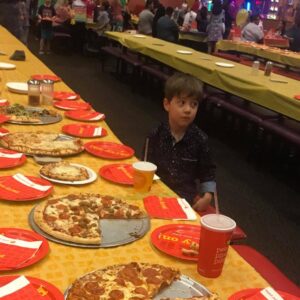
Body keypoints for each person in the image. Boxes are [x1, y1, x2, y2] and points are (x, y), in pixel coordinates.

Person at [144, 73, 216, 212]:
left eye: (193, 104)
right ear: (167, 104)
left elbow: (207, 171)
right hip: (156, 194)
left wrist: (207, 197)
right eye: (181, 103)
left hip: (185, 200)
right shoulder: (155, 134)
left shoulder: (200, 139)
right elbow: (146, 165)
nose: (188, 109)